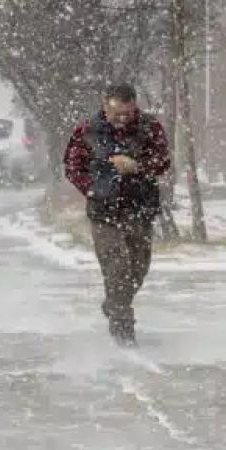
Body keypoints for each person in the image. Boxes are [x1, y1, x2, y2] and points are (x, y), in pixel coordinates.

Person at [63, 84, 171, 347]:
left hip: (140, 208)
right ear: (105, 104)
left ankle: (113, 303)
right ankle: (123, 328)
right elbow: (72, 166)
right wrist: (93, 188)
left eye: (127, 114)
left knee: (138, 268)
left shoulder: (149, 128)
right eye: (117, 113)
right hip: (104, 212)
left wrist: (139, 167)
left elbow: (163, 161)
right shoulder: (87, 131)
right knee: (117, 266)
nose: (122, 119)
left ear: (134, 106)